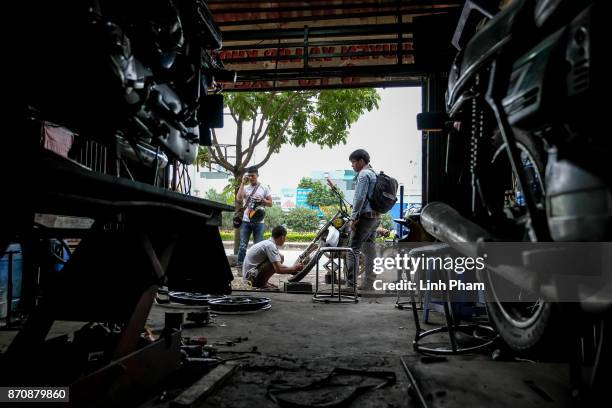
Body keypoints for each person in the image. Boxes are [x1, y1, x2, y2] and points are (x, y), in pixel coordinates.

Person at [347, 149, 381, 289]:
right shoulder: (374, 174)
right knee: (370, 250)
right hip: (375, 217)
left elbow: (360, 198)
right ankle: (369, 284)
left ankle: (350, 285)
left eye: (353, 162)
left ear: (361, 161)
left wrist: (353, 217)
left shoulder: (363, 174)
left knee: (352, 249)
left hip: (365, 218)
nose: (352, 165)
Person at [236, 166, 272, 266]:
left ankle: (257, 266)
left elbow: (270, 203)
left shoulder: (264, 188)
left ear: (257, 175)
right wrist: (242, 183)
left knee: (258, 246)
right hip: (246, 221)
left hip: (259, 222)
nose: (251, 178)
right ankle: (240, 265)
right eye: (249, 176)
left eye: (253, 176)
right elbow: (239, 198)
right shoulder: (246, 189)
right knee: (243, 245)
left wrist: (262, 200)